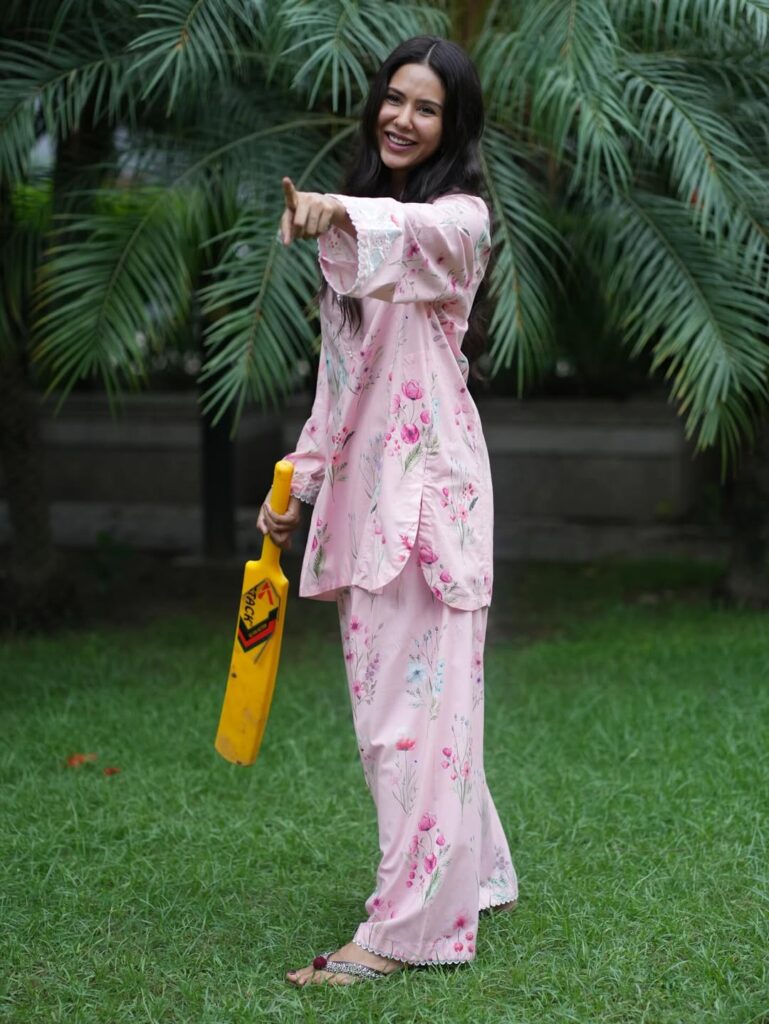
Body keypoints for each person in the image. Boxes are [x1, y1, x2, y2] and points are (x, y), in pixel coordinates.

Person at [257, 35, 518, 987]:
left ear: (454, 127)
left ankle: (404, 932)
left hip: (428, 501)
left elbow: (412, 236)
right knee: (412, 710)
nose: (402, 119)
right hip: (367, 498)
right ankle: (476, 874)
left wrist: (332, 209)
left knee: (406, 723)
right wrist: (297, 487)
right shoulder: (357, 248)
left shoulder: (460, 222)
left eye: (427, 108)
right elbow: (341, 383)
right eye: (393, 99)